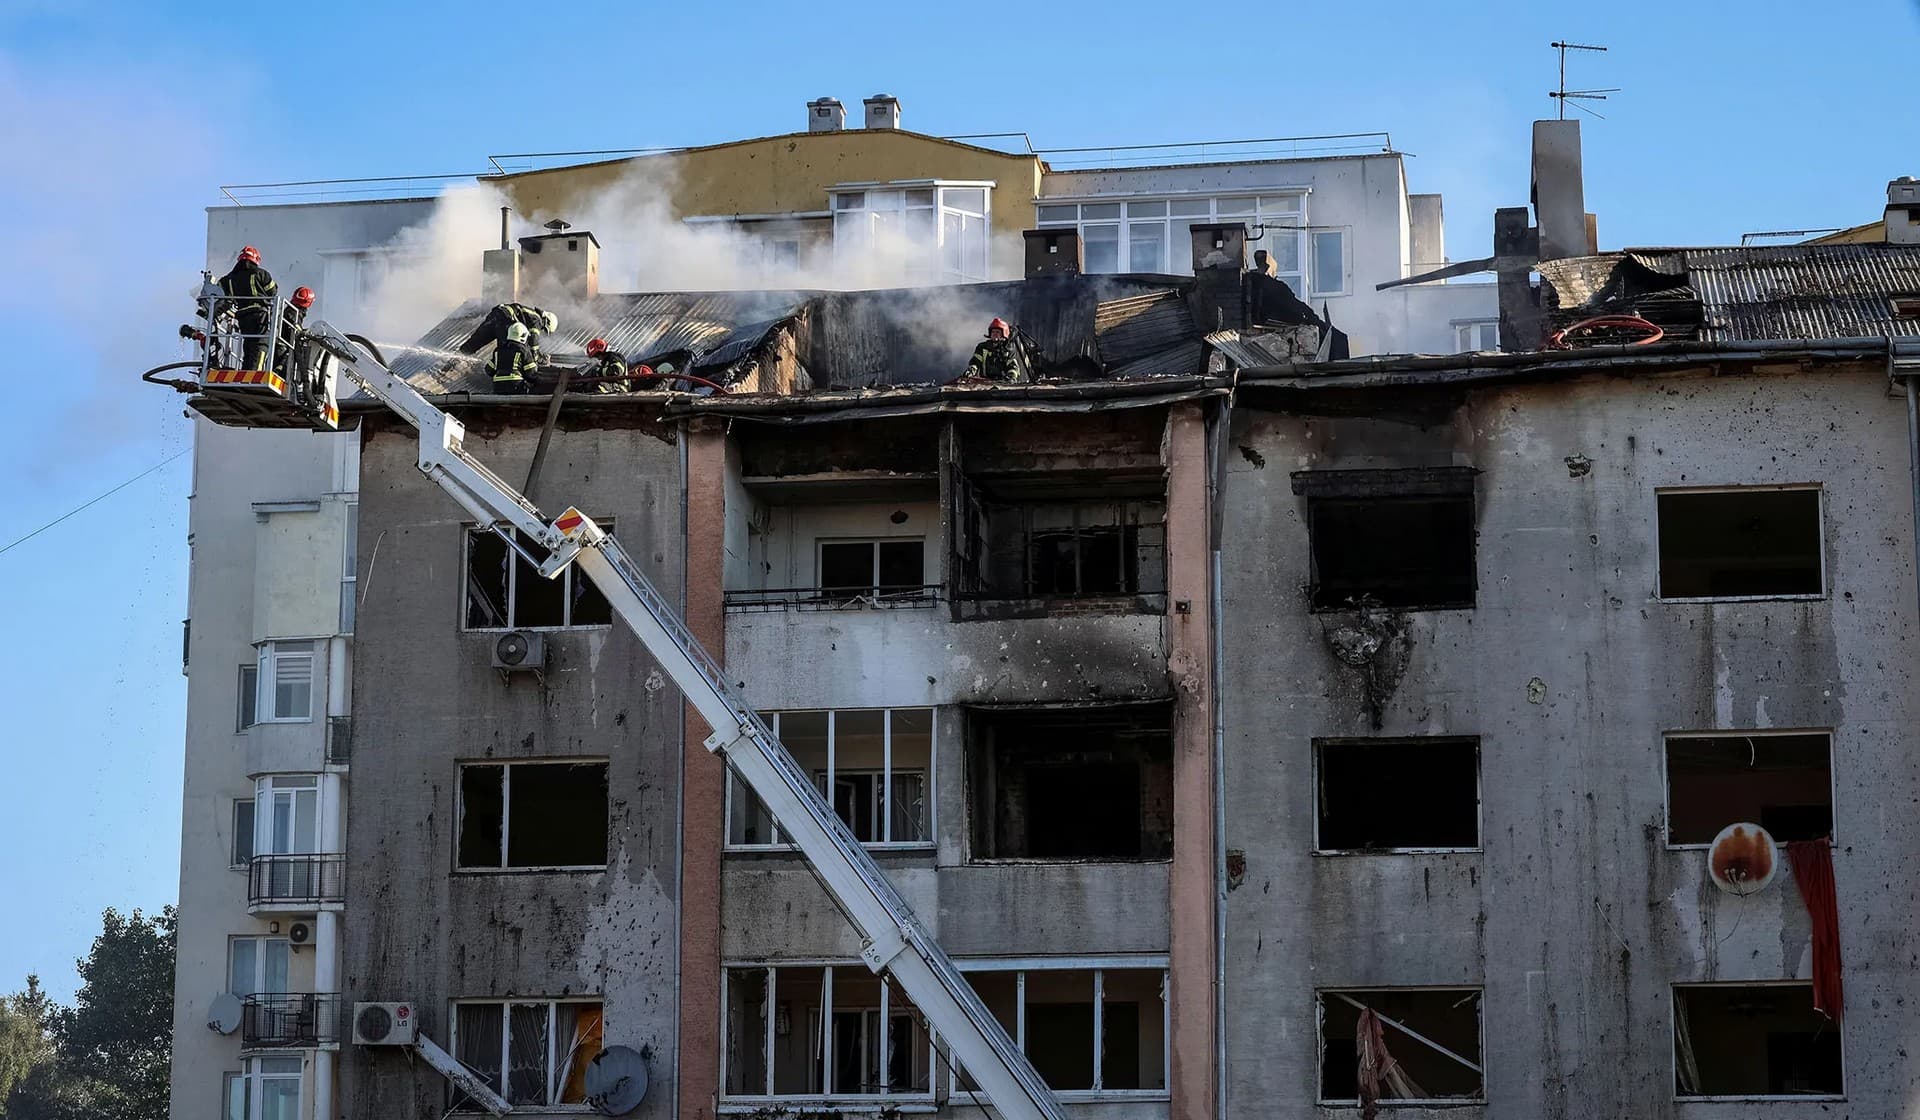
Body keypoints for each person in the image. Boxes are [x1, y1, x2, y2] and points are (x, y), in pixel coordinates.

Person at [217, 246, 278, 370]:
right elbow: (273, 291)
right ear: (256, 260)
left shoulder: (229, 279)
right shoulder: (261, 274)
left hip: (243, 316)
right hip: (260, 315)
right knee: (261, 343)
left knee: (249, 344)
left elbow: (220, 291)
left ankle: (247, 370)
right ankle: (256, 372)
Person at [458, 302, 558, 357]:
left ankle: (461, 354)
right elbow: (533, 339)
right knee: (508, 347)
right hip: (506, 318)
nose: (541, 330)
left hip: (496, 313)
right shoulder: (537, 319)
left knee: (479, 338)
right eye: (543, 329)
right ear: (546, 321)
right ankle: (503, 369)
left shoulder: (531, 315)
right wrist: (536, 354)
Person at [963, 317, 1031, 383]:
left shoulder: (1008, 350)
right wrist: (971, 371)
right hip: (984, 382)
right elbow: (975, 363)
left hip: (1002, 383)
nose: (995, 334)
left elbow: (1013, 368)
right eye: (993, 332)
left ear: (1004, 335)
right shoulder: (982, 347)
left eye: (998, 332)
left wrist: (1011, 377)